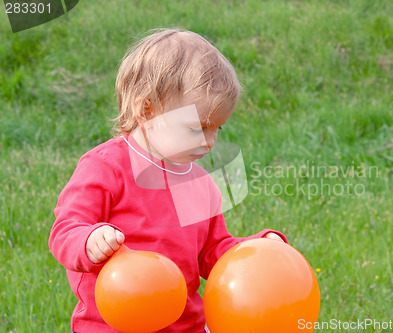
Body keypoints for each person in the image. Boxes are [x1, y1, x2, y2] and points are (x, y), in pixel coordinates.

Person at [49, 28, 287, 333]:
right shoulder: (105, 168)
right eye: (198, 127)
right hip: (113, 325)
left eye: (218, 129)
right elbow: (65, 230)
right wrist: (89, 240)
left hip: (184, 325)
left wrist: (253, 252)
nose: (210, 141)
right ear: (147, 110)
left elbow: (214, 252)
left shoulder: (201, 184)